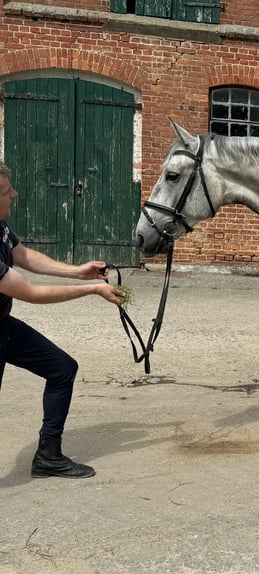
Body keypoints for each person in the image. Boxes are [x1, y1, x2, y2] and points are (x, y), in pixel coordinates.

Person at [0, 161, 124, 479]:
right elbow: (29, 292)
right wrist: (92, 289)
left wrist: (78, 271)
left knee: (61, 368)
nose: (13, 194)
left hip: (4, 326)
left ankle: (48, 456)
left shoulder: (0, 225)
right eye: (5, 191)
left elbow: (24, 256)